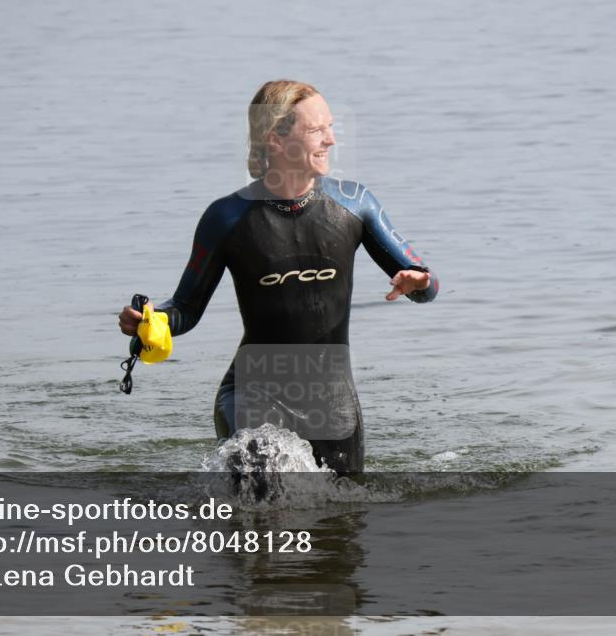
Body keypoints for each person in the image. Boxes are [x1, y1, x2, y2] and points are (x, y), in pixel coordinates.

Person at [118, 80, 438, 474]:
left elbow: (428, 285)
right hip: (251, 394)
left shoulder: (355, 205)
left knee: (340, 523)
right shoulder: (227, 218)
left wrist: (417, 283)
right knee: (263, 483)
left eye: (331, 127)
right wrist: (152, 320)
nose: (331, 140)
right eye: (317, 130)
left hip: (333, 406)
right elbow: (185, 308)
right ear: (275, 139)